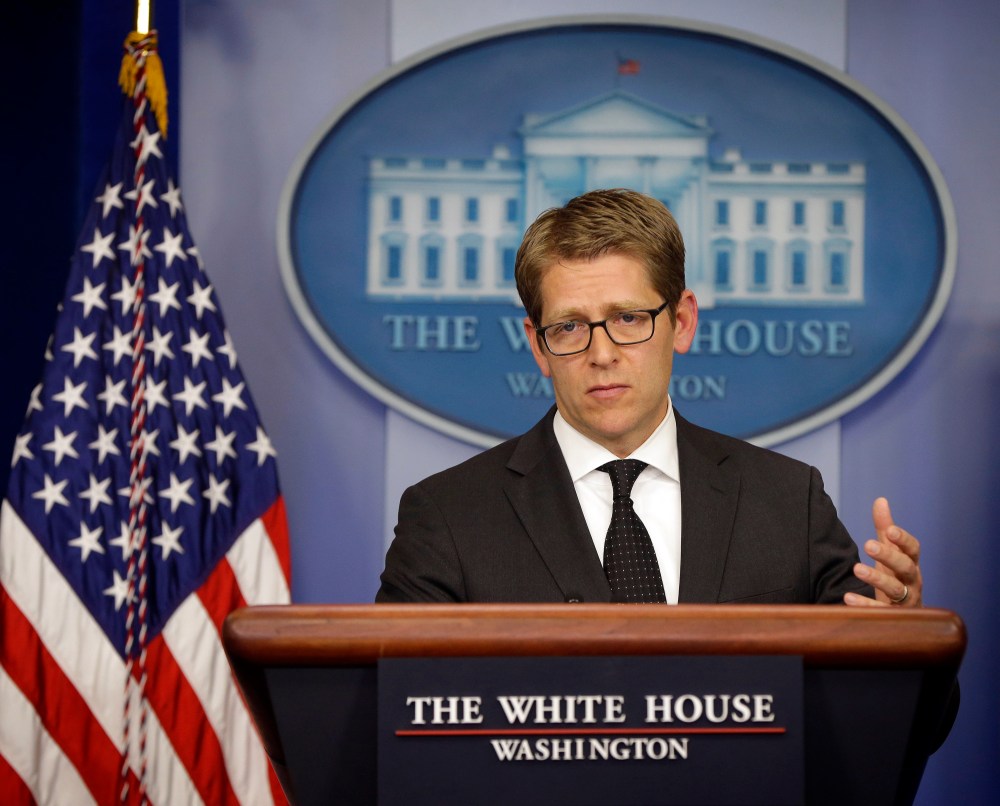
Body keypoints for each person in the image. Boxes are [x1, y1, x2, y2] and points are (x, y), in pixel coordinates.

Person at [376, 188, 924, 609]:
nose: (602, 353)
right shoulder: (447, 516)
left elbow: (881, 721)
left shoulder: (787, 503)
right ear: (537, 346)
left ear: (681, 322)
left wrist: (901, 635)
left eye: (629, 318)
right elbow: (393, 722)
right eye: (569, 327)